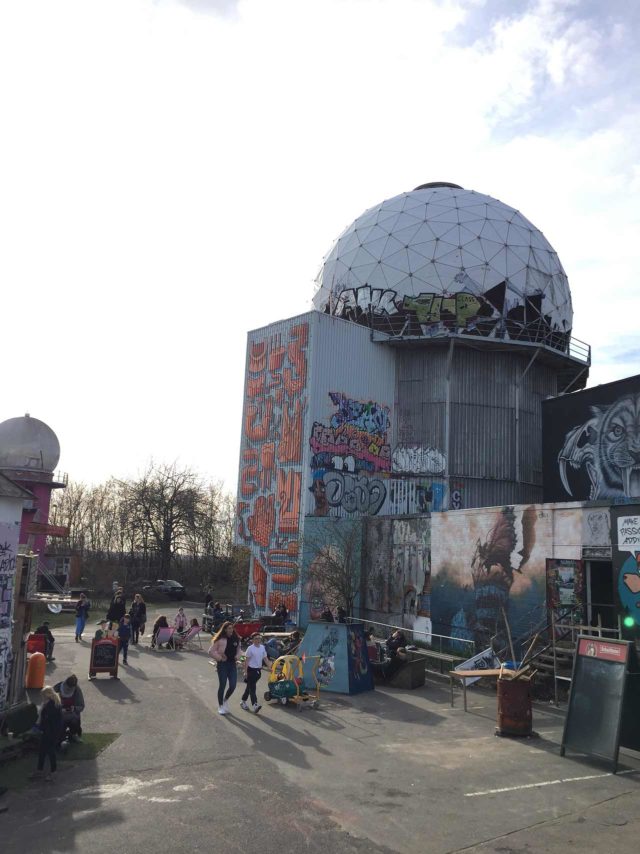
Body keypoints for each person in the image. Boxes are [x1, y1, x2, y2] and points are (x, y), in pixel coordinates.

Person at [29, 686, 63, 782]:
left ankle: (53, 772)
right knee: (42, 751)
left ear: (47, 695)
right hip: (50, 731)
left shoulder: (51, 706)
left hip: (51, 732)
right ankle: (40, 770)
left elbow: (48, 720)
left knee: (50, 751)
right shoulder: (52, 704)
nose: (41, 697)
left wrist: (39, 727)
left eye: (43, 695)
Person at [209, 621, 240, 715]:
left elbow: (240, 650)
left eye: (232, 628)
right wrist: (219, 658)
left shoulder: (236, 639)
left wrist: (237, 657)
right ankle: (221, 705)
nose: (231, 630)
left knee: (233, 685)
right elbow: (211, 651)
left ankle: (225, 699)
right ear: (225, 629)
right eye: (229, 628)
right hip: (222, 665)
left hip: (232, 664)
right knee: (222, 685)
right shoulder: (220, 639)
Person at [240, 633, 269, 714]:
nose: (258, 640)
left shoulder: (262, 647)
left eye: (259, 638)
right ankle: (255, 705)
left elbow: (265, 659)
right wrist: (245, 671)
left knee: (249, 687)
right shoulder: (250, 648)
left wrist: (271, 667)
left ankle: (243, 701)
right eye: (256, 638)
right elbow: (246, 661)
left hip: (258, 672)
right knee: (252, 688)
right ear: (252, 640)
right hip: (251, 671)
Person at [53, 674, 85, 743]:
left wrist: (75, 708)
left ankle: (73, 735)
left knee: (75, 723)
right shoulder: (58, 687)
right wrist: (59, 710)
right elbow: (51, 703)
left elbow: (81, 705)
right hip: (60, 714)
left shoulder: (77, 690)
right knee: (60, 731)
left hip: (72, 714)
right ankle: (60, 737)